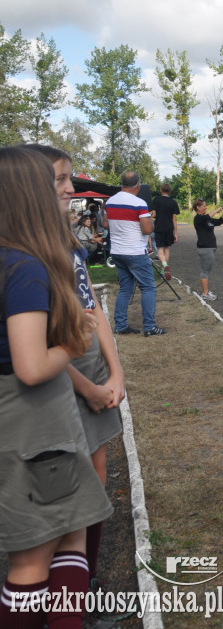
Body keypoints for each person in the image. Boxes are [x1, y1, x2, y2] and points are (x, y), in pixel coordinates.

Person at [0, 146, 112, 629]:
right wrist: (78, 338)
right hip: (35, 422)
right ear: (29, 194)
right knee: (31, 560)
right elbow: (29, 365)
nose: (69, 190)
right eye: (59, 181)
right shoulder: (25, 268)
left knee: (69, 535)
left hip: (38, 420)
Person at [27, 143, 127, 589]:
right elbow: (35, 348)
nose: (73, 188)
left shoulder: (67, 241)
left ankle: (85, 580)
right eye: (61, 180)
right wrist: (87, 386)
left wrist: (115, 369)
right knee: (69, 488)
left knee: (98, 471)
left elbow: (92, 310)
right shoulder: (26, 253)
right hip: (63, 373)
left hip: (89, 365)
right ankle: (62, 588)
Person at [105, 172, 166, 336]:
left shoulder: (110, 201)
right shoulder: (139, 203)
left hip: (117, 251)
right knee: (148, 288)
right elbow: (147, 229)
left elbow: (105, 224)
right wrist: (150, 220)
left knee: (125, 289)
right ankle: (150, 327)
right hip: (135, 252)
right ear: (138, 185)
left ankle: (120, 325)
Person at [192, 199, 223, 301]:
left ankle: (206, 292)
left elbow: (220, 221)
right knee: (205, 271)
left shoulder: (207, 219)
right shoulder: (198, 218)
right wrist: (217, 210)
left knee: (206, 270)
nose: (206, 207)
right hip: (205, 248)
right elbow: (207, 216)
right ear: (198, 207)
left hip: (210, 247)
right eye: (204, 206)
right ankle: (205, 293)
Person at [152, 182, 179, 280]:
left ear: (161, 190)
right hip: (169, 228)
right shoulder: (173, 202)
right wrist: (175, 233)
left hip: (159, 227)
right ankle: (164, 271)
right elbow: (174, 219)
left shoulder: (156, 200)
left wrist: (151, 215)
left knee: (160, 249)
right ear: (170, 191)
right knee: (167, 249)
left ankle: (164, 265)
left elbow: (154, 214)